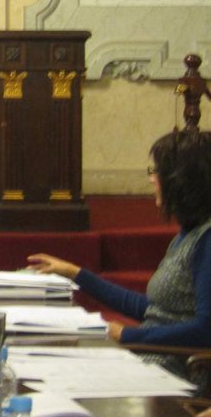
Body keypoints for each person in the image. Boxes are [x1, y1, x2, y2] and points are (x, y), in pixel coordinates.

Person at [28, 129, 211, 379]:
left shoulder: (206, 240)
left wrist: (129, 334)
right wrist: (75, 273)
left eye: (157, 171)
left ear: (181, 181)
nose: (152, 179)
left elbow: (206, 329)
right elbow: (153, 310)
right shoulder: (188, 235)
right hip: (150, 359)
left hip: (170, 372)